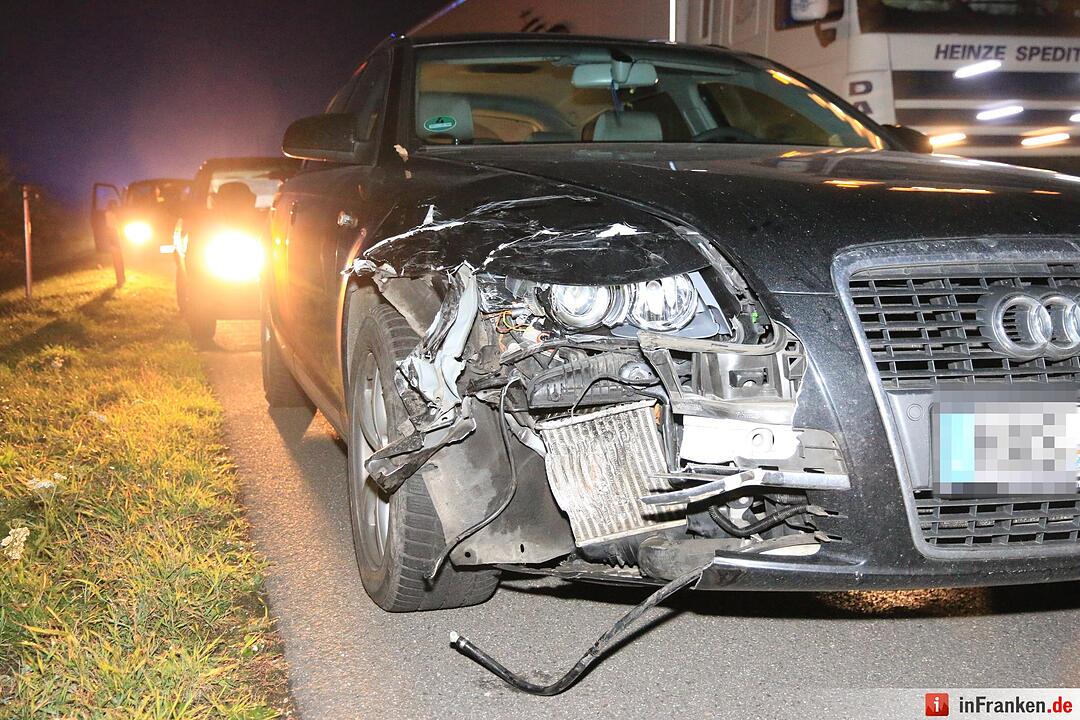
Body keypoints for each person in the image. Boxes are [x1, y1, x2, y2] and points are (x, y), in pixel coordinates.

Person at [103, 199, 125, 288]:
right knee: (117, 260)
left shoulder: (111, 214)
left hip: (115, 238)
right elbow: (112, 227)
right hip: (114, 238)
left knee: (119, 260)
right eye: (115, 205)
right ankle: (120, 279)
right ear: (112, 206)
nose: (116, 207)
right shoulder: (109, 214)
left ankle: (121, 278)